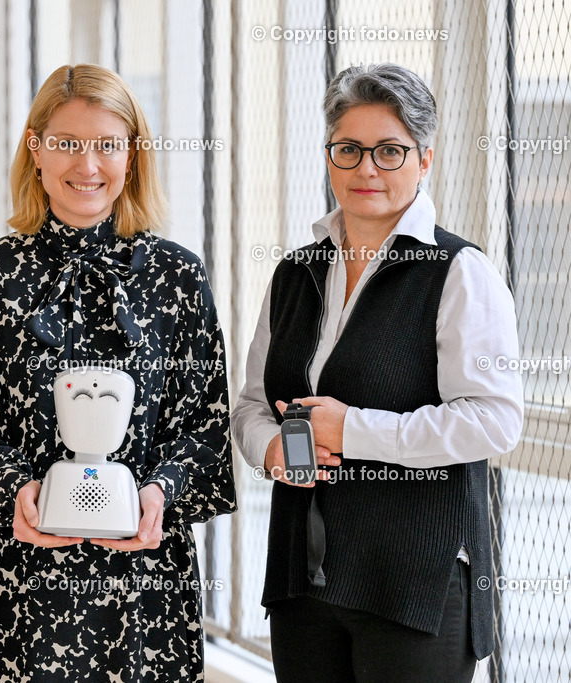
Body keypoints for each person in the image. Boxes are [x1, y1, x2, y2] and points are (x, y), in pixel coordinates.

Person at [0, 63, 236, 681]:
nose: (87, 165)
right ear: (36, 149)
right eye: (68, 143)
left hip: (147, 583)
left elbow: (206, 424)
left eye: (107, 145)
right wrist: (15, 492)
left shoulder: (177, 277)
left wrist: (159, 493)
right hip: (19, 580)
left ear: (132, 154)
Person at [230, 63, 524, 681]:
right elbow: (254, 404)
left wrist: (353, 430)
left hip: (414, 585)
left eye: (390, 151)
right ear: (329, 157)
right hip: (303, 577)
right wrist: (271, 450)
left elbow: (494, 420)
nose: (367, 168)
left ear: (424, 159)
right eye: (349, 150)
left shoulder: (459, 272)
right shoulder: (295, 273)